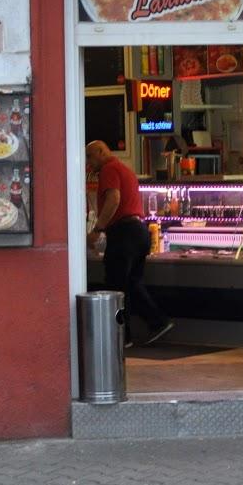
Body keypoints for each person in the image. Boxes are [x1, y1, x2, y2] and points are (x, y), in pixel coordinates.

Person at [86, 140, 173, 347]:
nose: (89, 162)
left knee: (116, 286)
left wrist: (97, 230)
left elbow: (114, 199)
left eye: (90, 156)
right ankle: (155, 322)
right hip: (140, 231)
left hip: (123, 232)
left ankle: (122, 336)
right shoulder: (125, 169)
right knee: (132, 283)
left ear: (101, 152)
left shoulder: (109, 169)